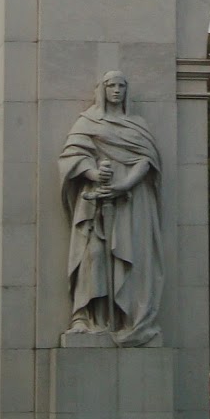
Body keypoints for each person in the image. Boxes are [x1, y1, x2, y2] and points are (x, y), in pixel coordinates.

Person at [58, 71, 164, 345]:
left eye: (121, 86)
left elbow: (147, 159)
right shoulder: (87, 122)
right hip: (95, 201)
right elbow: (72, 156)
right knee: (92, 255)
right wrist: (94, 174)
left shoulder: (137, 124)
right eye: (111, 86)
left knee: (127, 256)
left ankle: (127, 319)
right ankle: (88, 317)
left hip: (129, 202)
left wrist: (125, 184)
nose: (117, 90)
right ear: (102, 90)